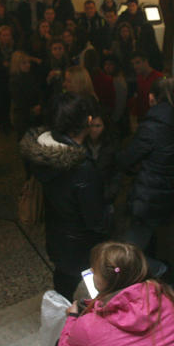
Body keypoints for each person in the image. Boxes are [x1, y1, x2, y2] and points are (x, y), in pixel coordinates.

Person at [19, 93, 109, 299]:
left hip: (57, 239)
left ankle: (63, 310)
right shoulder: (82, 168)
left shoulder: (44, 151)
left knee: (63, 286)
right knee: (91, 296)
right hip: (82, 248)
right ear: (86, 121)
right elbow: (95, 220)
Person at [119, 76, 174, 258]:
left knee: (130, 254)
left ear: (151, 97)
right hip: (166, 195)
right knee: (148, 246)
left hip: (147, 196)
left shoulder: (152, 125)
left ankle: (154, 271)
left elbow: (128, 158)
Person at [129, 50, 163, 121]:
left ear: (146, 61)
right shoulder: (139, 76)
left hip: (154, 119)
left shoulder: (159, 77)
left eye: (138, 62)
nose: (135, 66)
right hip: (142, 117)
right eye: (133, 64)